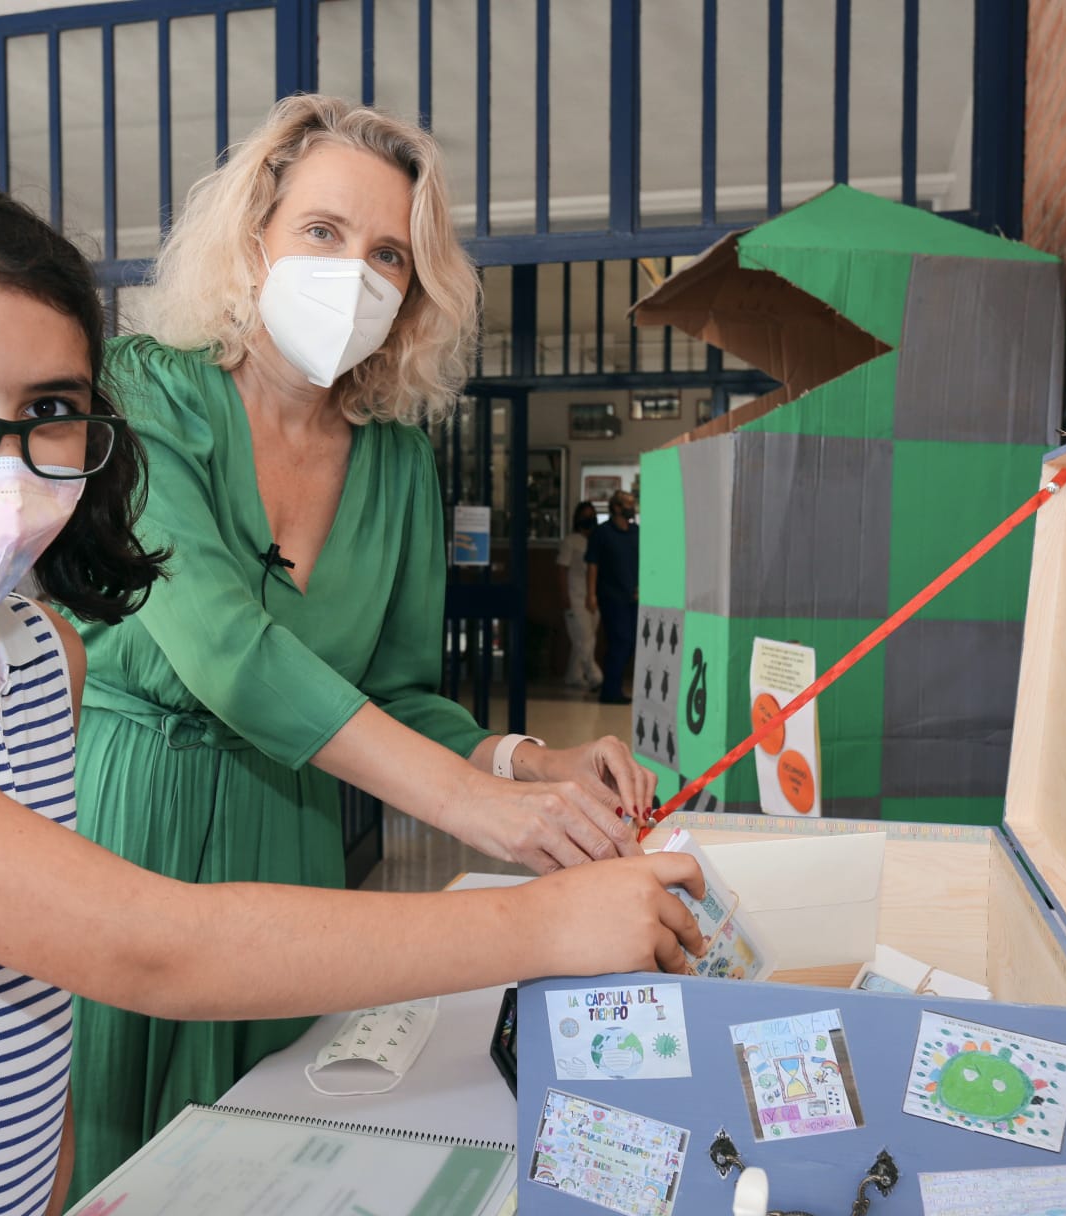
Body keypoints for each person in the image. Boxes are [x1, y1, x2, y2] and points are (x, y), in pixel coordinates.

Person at [0, 171, 704, 1216]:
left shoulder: (36, 648)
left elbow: (18, 1005)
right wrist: (538, 923)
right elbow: (142, 947)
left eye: (50, 409)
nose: (1, 458)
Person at [64, 94, 662, 1196]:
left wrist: (529, 764)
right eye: (324, 232)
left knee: (277, 1150)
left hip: (290, 831)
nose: (356, 273)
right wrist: (474, 810)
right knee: (124, 1155)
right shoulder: (149, 395)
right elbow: (228, 653)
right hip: (130, 814)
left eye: (389, 252)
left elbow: (396, 692)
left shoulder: (394, 464)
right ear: (255, 238)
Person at [587, 489, 641, 704]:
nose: (632, 507)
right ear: (616, 507)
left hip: (634, 596)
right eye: (627, 503)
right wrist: (591, 595)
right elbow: (592, 565)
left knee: (630, 643)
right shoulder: (602, 533)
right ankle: (610, 692)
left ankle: (615, 688)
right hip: (611, 596)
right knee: (620, 641)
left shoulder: (637, 531)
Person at [558, 500, 602, 690]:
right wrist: (564, 597)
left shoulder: (597, 540)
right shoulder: (571, 541)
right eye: (584, 516)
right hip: (575, 598)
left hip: (593, 598)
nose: (589, 519)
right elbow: (561, 569)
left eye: (592, 515)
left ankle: (573, 676)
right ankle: (596, 677)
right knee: (585, 640)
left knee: (584, 639)